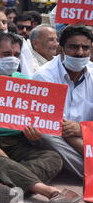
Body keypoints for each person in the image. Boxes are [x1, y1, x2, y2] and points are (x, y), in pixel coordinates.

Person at [0, 32, 81, 203]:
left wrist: (33, 134)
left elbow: (32, 120)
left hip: (16, 141)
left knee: (54, 158)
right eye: (7, 54)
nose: (13, 59)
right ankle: (49, 192)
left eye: (16, 55)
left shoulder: (24, 81)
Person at [33, 25, 93, 179]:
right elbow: (59, 127)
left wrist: (82, 129)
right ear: (61, 49)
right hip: (61, 138)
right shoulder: (44, 76)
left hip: (87, 134)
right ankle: (88, 170)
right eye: (73, 47)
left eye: (85, 48)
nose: (80, 53)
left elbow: (76, 130)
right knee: (46, 133)